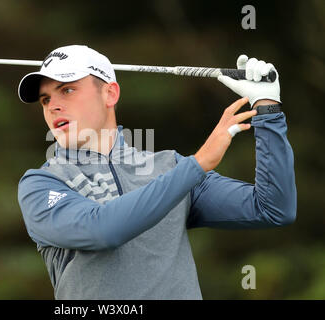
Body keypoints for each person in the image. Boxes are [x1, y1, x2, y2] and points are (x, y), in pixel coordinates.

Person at [16, 45, 296, 299]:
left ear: (110, 93)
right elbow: (101, 230)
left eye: (67, 89)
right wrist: (197, 164)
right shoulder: (42, 184)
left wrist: (267, 109)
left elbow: (273, 208)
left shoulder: (169, 167)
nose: (53, 106)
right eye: (44, 99)